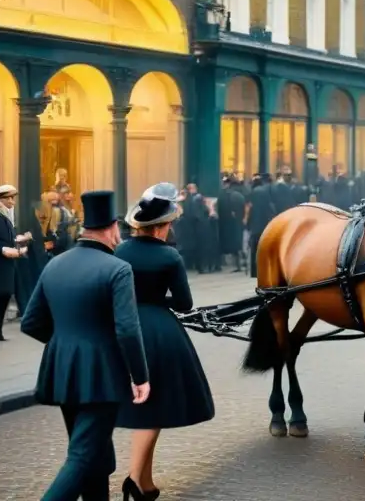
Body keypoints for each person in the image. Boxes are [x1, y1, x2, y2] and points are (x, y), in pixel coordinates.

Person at [20, 190, 150, 501]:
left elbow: (30, 322)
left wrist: (66, 344)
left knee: (95, 455)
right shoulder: (117, 269)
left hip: (62, 372)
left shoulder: (55, 265)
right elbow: (128, 330)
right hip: (102, 374)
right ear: (112, 227)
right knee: (81, 456)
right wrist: (141, 376)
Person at [115, 183, 215, 500]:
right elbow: (184, 303)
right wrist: (158, 297)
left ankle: (144, 480)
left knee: (145, 411)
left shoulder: (118, 252)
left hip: (124, 329)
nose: (170, 228)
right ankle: (133, 479)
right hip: (159, 331)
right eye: (168, 224)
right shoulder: (169, 256)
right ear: (159, 227)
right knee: (153, 411)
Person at [0, 184, 32, 340]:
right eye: (10, 198)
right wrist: (2, 249)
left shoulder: (6, 218)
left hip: (7, 265)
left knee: (5, 297)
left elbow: (7, 239)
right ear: (3, 199)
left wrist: (19, 242)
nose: (13, 202)